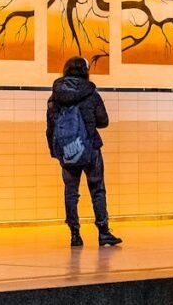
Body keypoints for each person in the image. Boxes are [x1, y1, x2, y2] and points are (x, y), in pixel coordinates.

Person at [46, 56, 122, 247]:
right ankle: (103, 232)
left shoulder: (55, 96)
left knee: (71, 192)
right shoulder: (91, 94)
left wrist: (55, 151)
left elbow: (50, 127)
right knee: (97, 190)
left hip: (67, 150)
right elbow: (103, 121)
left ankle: (74, 234)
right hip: (90, 148)